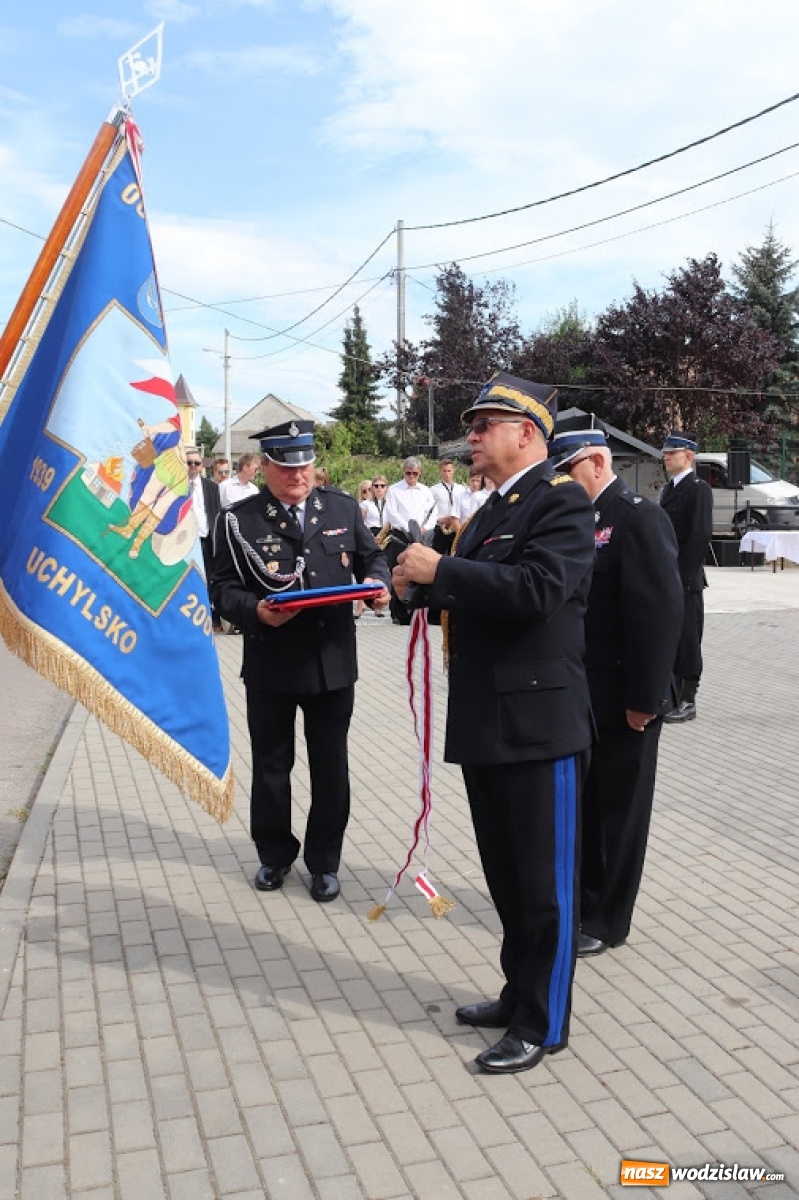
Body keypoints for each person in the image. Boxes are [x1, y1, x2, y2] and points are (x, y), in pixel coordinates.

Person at [393, 370, 595, 1075]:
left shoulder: (561, 502)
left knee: (544, 890)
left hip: (540, 728)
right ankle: (517, 994)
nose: (471, 437)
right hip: (487, 721)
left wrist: (441, 573)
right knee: (508, 883)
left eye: (484, 426)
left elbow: (539, 591)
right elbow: (469, 597)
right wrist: (411, 590)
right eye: (472, 426)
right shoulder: (486, 508)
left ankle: (543, 1024)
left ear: (526, 435)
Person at [210, 420, 390, 903]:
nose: (298, 476)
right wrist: (255, 613)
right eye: (286, 468)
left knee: (331, 767)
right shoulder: (239, 520)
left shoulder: (342, 509)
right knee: (272, 765)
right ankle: (274, 854)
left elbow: (374, 559)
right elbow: (221, 588)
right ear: (265, 466)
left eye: (305, 466)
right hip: (272, 663)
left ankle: (325, 862)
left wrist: (379, 588)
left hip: (332, 661)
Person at [549, 416, 683, 957]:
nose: (560, 481)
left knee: (619, 813)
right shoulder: (577, 518)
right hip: (581, 692)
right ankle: (583, 902)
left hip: (625, 697)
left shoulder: (637, 519)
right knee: (585, 806)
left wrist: (643, 700)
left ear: (598, 462)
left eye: (568, 470)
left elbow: (658, 614)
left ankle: (608, 920)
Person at [659, 432, 713, 722]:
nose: (666, 457)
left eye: (672, 453)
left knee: (689, 640)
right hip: (669, 576)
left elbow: (699, 536)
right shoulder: (669, 489)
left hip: (686, 579)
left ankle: (688, 700)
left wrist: (682, 577)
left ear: (688, 456)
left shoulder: (698, 488)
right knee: (674, 638)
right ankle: (674, 695)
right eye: (665, 453)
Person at [186, 448, 222, 631]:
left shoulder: (211, 487)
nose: (193, 467)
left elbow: (216, 513)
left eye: (196, 463)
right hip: (185, 542)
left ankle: (211, 616)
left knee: (209, 577)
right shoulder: (177, 486)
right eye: (189, 463)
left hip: (207, 539)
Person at [430, 457, 467, 551]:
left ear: (453, 471)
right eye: (444, 471)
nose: (447, 474)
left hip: (456, 527)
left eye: (449, 471)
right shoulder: (433, 490)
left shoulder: (462, 489)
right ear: (440, 472)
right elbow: (429, 510)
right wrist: (438, 519)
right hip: (441, 527)